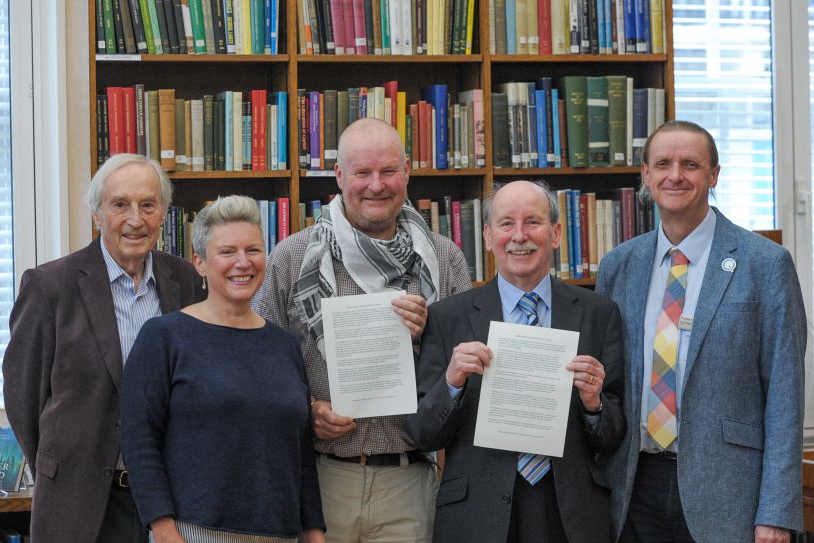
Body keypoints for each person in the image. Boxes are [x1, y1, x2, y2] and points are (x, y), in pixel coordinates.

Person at [252, 117, 472, 542]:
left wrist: (433, 335)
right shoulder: (293, 257)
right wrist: (308, 408)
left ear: (407, 171)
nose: (376, 185)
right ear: (339, 176)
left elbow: (468, 374)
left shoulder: (445, 259)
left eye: (388, 171)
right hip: (320, 481)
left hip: (410, 482)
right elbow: (260, 365)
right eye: (362, 173)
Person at [596, 120, 807, 543]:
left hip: (730, 493)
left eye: (690, 164)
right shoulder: (619, 266)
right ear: (645, 175)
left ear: (713, 175)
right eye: (663, 164)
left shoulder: (765, 264)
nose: (675, 175)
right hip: (634, 488)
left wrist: (777, 510)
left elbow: (785, 394)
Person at [408, 180, 625, 543]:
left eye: (533, 222)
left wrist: (594, 404)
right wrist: (451, 383)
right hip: (476, 514)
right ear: (489, 237)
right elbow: (423, 432)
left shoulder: (598, 313)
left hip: (570, 513)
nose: (519, 236)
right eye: (507, 224)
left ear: (555, 234)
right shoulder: (448, 317)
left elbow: (614, 433)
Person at [2, 153, 204, 543]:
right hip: (77, 503)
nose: (135, 219)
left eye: (148, 205)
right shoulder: (50, 287)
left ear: (163, 213)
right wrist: (61, 465)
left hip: (167, 502)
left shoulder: (183, 280)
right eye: (120, 205)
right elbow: (23, 398)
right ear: (97, 215)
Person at [121, 195, 325, 543]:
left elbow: (300, 453)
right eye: (227, 252)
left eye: (253, 250)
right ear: (200, 263)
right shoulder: (164, 337)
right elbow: (140, 443)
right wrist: (164, 529)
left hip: (282, 534)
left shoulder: (285, 345)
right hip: (195, 532)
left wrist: (314, 531)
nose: (242, 263)